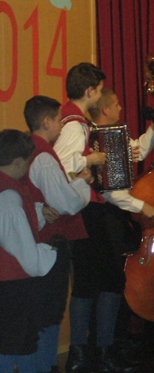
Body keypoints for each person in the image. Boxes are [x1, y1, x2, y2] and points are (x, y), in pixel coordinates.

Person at [55, 63, 154, 373]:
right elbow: (60, 165)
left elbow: (130, 156)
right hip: (91, 213)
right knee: (101, 283)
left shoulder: (84, 126)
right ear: (90, 92)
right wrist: (88, 163)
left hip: (94, 212)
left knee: (99, 283)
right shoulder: (75, 125)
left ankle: (94, 352)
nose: (107, 98)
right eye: (101, 91)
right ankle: (93, 353)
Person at [22, 96, 92, 373]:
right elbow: (66, 203)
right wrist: (82, 182)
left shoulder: (29, 151)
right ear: (46, 122)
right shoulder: (43, 156)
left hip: (36, 242)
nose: (62, 125)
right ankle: (45, 366)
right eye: (59, 120)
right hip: (49, 243)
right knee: (49, 311)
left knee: (42, 311)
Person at [0, 130, 64, 373]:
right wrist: (50, 253)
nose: (28, 169)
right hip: (13, 284)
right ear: (18, 162)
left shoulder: (8, 190)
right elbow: (23, 250)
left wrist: (38, 213)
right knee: (16, 343)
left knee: (17, 341)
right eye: (27, 163)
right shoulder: (8, 195)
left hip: (10, 283)